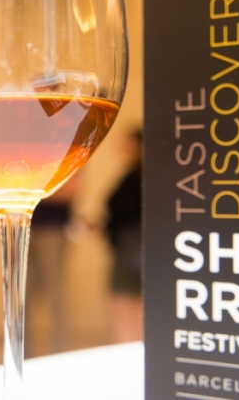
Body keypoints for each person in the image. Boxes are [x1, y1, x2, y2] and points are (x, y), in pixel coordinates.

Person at [24, 176, 79, 357]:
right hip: (26, 227)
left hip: (52, 229)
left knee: (55, 292)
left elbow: (71, 190)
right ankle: (23, 352)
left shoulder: (64, 159)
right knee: (23, 292)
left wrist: (29, 191)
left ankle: (59, 351)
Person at [105, 130, 143, 344]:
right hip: (131, 247)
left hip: (131, 248)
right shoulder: (134, 174)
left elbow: (123, 211)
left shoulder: (136, 177)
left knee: (127, 302)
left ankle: (128, 346)